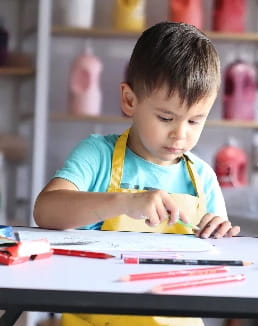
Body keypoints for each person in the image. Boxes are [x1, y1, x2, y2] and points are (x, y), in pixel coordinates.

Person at [33, 21, 240, 326]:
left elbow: (221, 265)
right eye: (166, 118)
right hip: (96, 316)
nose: (180, 135)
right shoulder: (97, 155)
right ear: (130, 101)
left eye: (195, 121)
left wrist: (220, 235)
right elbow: (45, 211)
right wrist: (125, 202)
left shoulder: (203, 178)